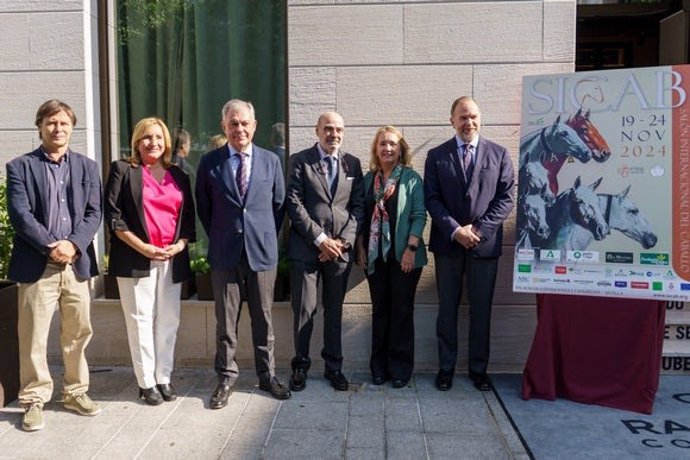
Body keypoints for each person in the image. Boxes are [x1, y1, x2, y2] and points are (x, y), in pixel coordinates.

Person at [6, 99, 103, 431]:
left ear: (72, 127)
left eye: (63, 123)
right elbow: (21, 215)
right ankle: (34, 400)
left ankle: (75, 392)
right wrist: (52, 246)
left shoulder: (88, 167)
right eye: (51, 123)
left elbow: (94, 213)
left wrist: (73, 244)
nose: (57, 128)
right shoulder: (19, 167)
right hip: (38, 265)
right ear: (40, 127)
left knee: (78, 332)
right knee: (33, 335)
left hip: (76, 264)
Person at [195, 99, 290, 408]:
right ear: (224, 126)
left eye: (244, 123)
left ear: (254, 125)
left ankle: (267, 375)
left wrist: (259, 236)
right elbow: (204, 209)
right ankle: (226, 378)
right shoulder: (210, 162)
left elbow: (278, 207)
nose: (239, 129)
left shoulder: (271, 161)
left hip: (261, 254)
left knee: (264, 319)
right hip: (225, 254)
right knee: (226, 323)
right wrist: (226, 236)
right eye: (233, 123)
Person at [424, 96, 514, 392]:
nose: (469, 122)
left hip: (484, 247)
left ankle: (478, 370)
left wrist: (478, 230)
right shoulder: (436, 156)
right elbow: (432, 199)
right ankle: (446, 369)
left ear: (480, 119)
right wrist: (454, 230)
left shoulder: (499, 154)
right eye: (462, 117)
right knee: (447, 309)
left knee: (481, 310)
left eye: (473, 116)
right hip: (448, 245)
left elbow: (506, 198)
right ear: (452, 120)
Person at [104, 117, 196, 405]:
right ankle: (146, 382)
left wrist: (179, 246)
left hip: (170, 258)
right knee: (140, 320)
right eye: (146, 137)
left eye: (158, 137)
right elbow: (114, 217)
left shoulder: (179, 176)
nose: (152, 143)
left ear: (166, 142)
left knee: (169, 319)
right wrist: (143, 247)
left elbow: (188, 222)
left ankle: (163, 377)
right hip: (135, 258)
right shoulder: (122, 169)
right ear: (137, 142)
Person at [286, 112, 365, 392]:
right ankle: (300, 367)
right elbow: (294, 204)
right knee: (304, 310)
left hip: (339, 253)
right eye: (328, 129)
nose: (334, 134)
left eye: (339, 129)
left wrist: (342, 243)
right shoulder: (299, 160)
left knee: (334, 311)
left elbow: (358, 208)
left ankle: (334, 368)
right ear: (317, 130)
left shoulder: (352, 164)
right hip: (306, 250)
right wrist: (320, 239)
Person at [356, 126, 427, 388]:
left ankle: (400, 369)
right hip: (376, 257)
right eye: (383, 143)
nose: (387, 148)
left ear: (401, 149)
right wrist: (361, 247)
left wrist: (410, 250)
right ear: (376, 148)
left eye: (393, 144)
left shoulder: (411, 179)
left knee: (401, 312)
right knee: (380, 311)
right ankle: (379, 368)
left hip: (404, 257)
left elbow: (420, 216)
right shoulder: (368, 180)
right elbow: (361, 217)